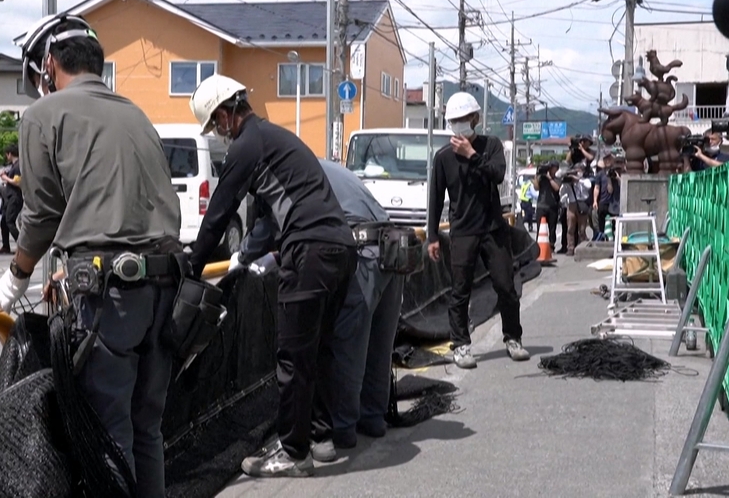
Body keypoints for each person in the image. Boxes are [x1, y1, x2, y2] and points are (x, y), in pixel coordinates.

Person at [0, 13, 183, 498]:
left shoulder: (44, 115)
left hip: (110, 294)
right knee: (146, 429)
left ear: (50, 64)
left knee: (106, 432)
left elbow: (41, 215)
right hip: (168, 286)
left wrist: (17, 274)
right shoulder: (135, 112)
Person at [186, 74, 357, 477]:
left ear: (226, 114)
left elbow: (219, 211)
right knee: (317, 349)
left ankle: (294, 452)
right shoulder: (274, 139)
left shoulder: (248, 145)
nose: (219, 134)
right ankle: (321, 438)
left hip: (309, 250)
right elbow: (266, 220)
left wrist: (192, 265)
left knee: (292, 357)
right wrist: (242, 256)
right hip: (340, 249)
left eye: (216, 125)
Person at [237, 158, 404, 449]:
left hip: (362, 250)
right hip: (392, 246)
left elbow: (267, 228)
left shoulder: (288, 176)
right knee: (379, 342)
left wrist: (241, 257)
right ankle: (373, 418)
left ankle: (342, 428)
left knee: (346, 343)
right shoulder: (322, 167)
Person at [426, 92, 528, 369]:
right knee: (460, 290)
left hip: (493, 229)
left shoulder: (491, 146)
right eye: (454, 121)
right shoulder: (444, 157)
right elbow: (435, 197)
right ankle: (461, 345)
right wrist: (432, 236)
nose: (459, 125)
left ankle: (513, 338)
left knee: (506, 285)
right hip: (462, 232)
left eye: (464, 119)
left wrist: (472, 156)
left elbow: (497, 175)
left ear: (476, 118)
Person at [0, 144, 22, 254]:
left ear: (10, 154)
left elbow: (17, 182)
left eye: (7, 154)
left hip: (15, 197)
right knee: (3, 222)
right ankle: (6, 246)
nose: (7, 157)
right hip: (9, 196)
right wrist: (7, 176)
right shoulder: (13, 166)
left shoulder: (18, 166)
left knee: (9, 221)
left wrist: (5, 177)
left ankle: (22, 246)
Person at [533, 160, 561, 250]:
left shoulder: (557, 179)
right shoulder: (542, 178)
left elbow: (557, 188)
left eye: (552, 167)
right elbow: (536, 187)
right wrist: (537, 175)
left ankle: (551, 246)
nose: (550, 169)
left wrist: (549, 178)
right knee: (540, 227)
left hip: (552, 206)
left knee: (552, 228)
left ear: (556, 169)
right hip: (541, 205)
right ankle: (539, 247)